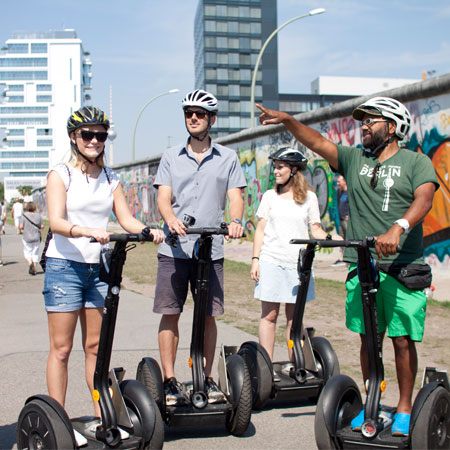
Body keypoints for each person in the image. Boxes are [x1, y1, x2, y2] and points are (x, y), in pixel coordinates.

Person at [256, 97, 438, 437]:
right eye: (362, 120)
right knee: (369, 339)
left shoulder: (416, 161)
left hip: (402, 266)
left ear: (393, 127)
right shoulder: (355, 159)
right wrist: (287, 121)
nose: (364, 125)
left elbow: (424, 199)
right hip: (363, 265)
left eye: (372, 120)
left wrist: (398, 228)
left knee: (401, 340)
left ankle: (403, 407)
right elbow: (318, 141)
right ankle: (372, 401)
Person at [43, 106, 164, 445]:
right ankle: (59, 420)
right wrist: (86, 231)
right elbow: (55, 221)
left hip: (98, 270)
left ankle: (101, 417)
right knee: (62, 349)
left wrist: (147, 230)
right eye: (88, 135)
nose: (95, 140)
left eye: (101, 135)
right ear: (74, 138)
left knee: (95, 347)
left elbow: (125, 218)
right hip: (64, 268)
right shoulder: (60, 175)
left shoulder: (111, 177)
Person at [153, 89, 246, 406]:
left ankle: (207, 378)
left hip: (211, 251)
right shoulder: (170, 156)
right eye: (189, 113)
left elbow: (236, 196)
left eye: (200, 114)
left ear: (211, 119)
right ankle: (168, 381)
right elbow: (163, 197)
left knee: (209, 316)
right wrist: (170, 218)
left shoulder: (228, 158)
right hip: (174, 250)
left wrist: (235, 220)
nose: (193, 117)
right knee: (170, 313)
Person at [250, 147, 340, 381]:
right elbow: (260, 230)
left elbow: (316, 229)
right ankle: (266, 368)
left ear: (294, 170)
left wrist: (334, 239)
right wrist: (255, 259)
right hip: (271, 260)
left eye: (280, 166)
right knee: (269, 316)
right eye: (275, 165)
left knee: (295, 319)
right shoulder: (270, 196)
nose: (275, 170)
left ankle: (295, 363)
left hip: (298, 265)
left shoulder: (309, 198)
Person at [19, 201, 44, 275]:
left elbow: (21, 226)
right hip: (36, 237)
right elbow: (42, 226)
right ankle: (35, 269)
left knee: (27, 252)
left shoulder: (24, 216)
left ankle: (30, 263)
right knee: (35, 253)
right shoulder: (38, 216)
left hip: (27, 237)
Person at [332, 174, 349, 266]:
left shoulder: (349, 192)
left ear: (344, 181)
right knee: (341, 240)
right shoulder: (340, 192)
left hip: (347, 221)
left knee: (349, 239)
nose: (338, 183)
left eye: (339, 181)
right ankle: (342, 257)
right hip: (341, 220)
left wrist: (350, 215)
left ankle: (349, 259)